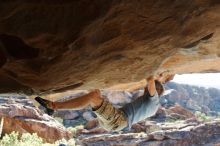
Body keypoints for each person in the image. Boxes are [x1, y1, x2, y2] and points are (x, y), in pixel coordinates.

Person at [35, 74, 172, 131]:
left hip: (119, 120)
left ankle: (53, 106)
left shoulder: (154, 101)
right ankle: (53, 107)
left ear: (156, 92)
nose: (143, 89)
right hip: (116, 122)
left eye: (146, 89)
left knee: (93, 97)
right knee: (96, 94)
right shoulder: (152, 105)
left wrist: (154, 76)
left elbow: (150, 81)